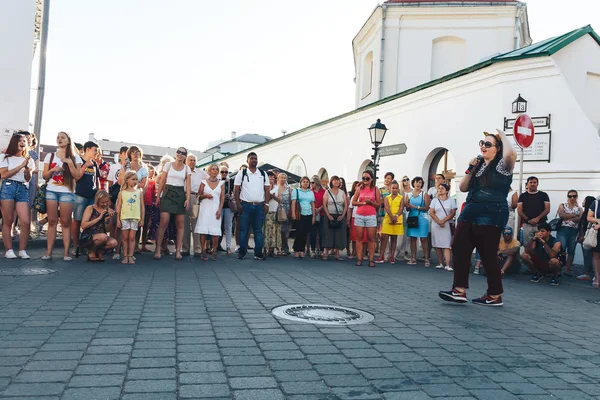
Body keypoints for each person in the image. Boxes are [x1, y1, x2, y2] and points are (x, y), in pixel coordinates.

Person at [439, 129, 517, 306]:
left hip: (492, 211)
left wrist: (502, 135)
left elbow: (511, 153)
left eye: (488, 144)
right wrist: (470, 169)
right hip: (471, 208)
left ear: (498, 148)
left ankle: (495, 294)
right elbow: (463, 188)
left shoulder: (503, 165)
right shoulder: (479, 164)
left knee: (488, 254)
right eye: (482, 143)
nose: (483, 146)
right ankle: (459, 290)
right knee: (459, 245)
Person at [42, 132, 83, 261]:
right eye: (58, 137)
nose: (59, 139)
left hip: (67, 191)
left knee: (66, 222)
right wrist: (52, 170)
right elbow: (44, 175)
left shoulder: (76, 158)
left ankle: (66, 253)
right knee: (52, 221)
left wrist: (69, 163)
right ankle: (48, 252)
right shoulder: (50, 155)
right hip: (51, 190)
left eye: (62, 137)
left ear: (68, 140)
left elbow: (77, 176)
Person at [0, 132, 35, 259]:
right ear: (14, 143)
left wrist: (27, 169)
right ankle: (9, 250)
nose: (22, 143)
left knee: (25, 221)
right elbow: (4, 175)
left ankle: (22, 250)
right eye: (19, 140)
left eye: (24, 141)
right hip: (8, 187)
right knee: (8, 220)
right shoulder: (5, 157)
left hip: (22, 188)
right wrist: (20, 166)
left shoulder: (29, 160)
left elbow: (27, 179)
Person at [154, 147, 191, 261]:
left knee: (180, 224)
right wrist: (158, 196)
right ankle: (158, 249)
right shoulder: (168, 165)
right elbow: (162, 180)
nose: (180, 154)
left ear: (185, 156)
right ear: (176, 154)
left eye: (183, 153)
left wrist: (188, 199)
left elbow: (188, 185)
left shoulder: (186, 168)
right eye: (178, 152)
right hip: (168, 193)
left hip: (180, 194)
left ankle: (178, 251)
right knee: (163, 221)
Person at [234, 152, 270, 260]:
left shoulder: (263, 173)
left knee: (258, 231)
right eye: (252, 158)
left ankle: (258, 253)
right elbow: (236, 189)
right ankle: (242, 252)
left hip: (259, 206)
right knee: (243, 230)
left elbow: (267, 189)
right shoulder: (242, 173)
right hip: (245, 205)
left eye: (255, 158)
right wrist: (238, 203)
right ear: (247, 160)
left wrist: (266, 203)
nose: (254, 160)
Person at [72, 141, 101, 254]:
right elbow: (76, 177)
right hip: (80, 195)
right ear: (88, 149)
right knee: (77, 221)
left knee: (91, 222)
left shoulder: (94, 163)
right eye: (95, 150)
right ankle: (76, 246)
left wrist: (98, 192)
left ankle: (88, 246)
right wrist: (84, 166)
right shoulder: (79, 161)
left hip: (92, 196)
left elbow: (96, 179)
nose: (97, 153)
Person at [195, 164, 224, 261]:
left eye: (216, 169)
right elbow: (198, 196)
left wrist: (219, 209)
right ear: (209, 171)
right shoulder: (203, 182)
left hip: (215, 208)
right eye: (213, 169)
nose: (215, 171)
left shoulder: (221, 183)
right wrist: (205, 196)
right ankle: (203, 250)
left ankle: (214, 250)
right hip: (205, 209)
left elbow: (222, 198)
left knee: (215, 231)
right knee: (203, 230)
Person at [351, 170, 381, 267]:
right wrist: (364, 203)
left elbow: (378, 205)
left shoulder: (375, 189)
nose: (365, 180)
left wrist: (371, 203)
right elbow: (353, 202)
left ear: (372, 179)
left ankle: (371, 259)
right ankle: (359, 258)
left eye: (367, 178)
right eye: (363, 178)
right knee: (358, 238)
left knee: (371, 238)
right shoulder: (359, 188)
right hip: (359, 214)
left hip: (371, 215)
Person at [80, 190, 117, 262]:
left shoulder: (109, 210)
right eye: (102, 202)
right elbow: (83, 225)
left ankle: (99, 250)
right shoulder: (90, 208)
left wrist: (108, 219)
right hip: (88, 235)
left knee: (113, 243)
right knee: (103, 237)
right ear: (97, 201)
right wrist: (99, 218)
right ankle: (91, 251)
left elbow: (108, 230)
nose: (105, 204)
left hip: (102, 235)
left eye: (107, 202)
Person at [116, 171, 144, 265]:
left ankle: (130, 256)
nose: (135, 181)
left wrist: (142, 219)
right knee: (125, 237)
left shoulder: (139, 192)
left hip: (135, 218)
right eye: (133, 179)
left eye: (136, 179)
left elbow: (142, 206)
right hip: (124, 217)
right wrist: (118, 219)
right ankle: (125, 255)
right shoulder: (122, 193)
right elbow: (118, 207)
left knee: (132, 238)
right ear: (127, 180)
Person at [182, 154, 206, 256]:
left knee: (196, 223)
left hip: (195, 198)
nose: (192, 162)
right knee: (184, 224)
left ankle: (197, 249)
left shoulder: (201, 173)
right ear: (186, 161)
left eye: (194, 160)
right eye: (190, 160)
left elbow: (212, 179)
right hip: (183, 198)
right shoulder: (182, 171)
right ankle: (185, 249)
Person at [428, 183, 456, 271]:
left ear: (447, 191)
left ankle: (447, 264)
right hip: (436, 224)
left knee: (447, 244)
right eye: (439, 188)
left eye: (442, 188)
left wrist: (443, 220)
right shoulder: (434, 201)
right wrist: (438, 221)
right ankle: (440, 263)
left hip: (447, 224)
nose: (440, 190)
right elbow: (431, 212)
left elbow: (452, 213)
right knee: (437, 244)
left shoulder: (451, 200)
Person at [517, 176, 550, 245]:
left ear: (537, 184)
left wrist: (537, 218)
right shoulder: (522, 196)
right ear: (527, 184)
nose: (532, 184)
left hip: (541, 224)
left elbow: (547, 209)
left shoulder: (544, 195)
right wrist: (528, 219)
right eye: (530, 182)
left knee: (541, 245)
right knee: (528, 245)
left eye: (534, 182)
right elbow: (519, 210)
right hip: (527, 225)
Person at [405, 176, 431, 266]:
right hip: (412, 217)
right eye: (417, 182)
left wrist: (416, 207)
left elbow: (427, 207)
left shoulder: (424, 194)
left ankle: (427, 258)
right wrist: (408, 207)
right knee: (412, 238)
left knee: (423, 239)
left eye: (420, 183)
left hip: (422, 218)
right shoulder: (408, 195)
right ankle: (413, 258)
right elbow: (407, 208)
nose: (418, 184)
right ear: (413, 183)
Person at [556, 190, 583, 276]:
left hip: (574, 230)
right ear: (567, 196)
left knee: (571, 250)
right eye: (570, 196)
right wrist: (575, 215)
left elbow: (580, 219)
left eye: (574, 196)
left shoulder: (579, 208)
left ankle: (567, 269)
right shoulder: (562, 205)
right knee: (561, 249)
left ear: (576, 197)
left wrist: (567, 216)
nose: (572, 198)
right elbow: (561, 215)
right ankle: (558, 268)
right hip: (563, 229)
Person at [377, 180, 404, 264]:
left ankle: (392, 256)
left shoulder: (401, 197)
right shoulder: (387, 197)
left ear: (398, 188)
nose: (394, 190)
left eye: (396, 188)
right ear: (390, 188)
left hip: (397, 218)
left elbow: (401, 208)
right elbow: (387, 207)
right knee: (384, 237)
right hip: (388, 218)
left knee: (394, 238)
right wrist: (392, 216)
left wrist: (396, 216)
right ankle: (381, 256)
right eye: (393, 188)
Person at [322, 175, 348, 260]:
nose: (336, 182)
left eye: (337, 181)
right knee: (328, 233)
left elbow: (345, 205)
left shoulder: (342, 192)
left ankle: (337, 253)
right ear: (331, 182)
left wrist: (343, 215)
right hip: (330, 214)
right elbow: (324, 204)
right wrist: (328, 215)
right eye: (334, 180)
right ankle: (326, 253)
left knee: (339, 234)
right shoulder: (327, 192)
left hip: (340, 215)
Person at [291, 176, 315, 258]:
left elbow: (312, 204)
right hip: (300, 214)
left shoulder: (310, 192)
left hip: (309, 213)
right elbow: (294, 203)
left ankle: (302, 250)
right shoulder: (296, 191)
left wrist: (314, 216)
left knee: (305, 233)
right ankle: (296, 250)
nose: (305, 183)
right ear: (301, 183)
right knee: (299, 232)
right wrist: (293, 213)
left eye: (307, 182)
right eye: (304, 182)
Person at [576, 196, 597, 282]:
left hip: (586, 237)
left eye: (584, 200)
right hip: (584, 237)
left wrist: (583, 236)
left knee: (587, 255)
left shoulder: (588, 214)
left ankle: (587, 273)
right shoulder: (585, 212)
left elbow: (586, 226)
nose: (583, 201)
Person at [263, 171, 282, 257]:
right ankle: (264, 249)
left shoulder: (277, 188)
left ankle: (272, 250)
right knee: (265, 230)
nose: (271, 178)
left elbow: (280, 200)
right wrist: (269, 195)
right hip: (265, 211)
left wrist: (272, 196)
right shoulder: (263, 187)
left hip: (275, 211)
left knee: (274, 231)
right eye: (269, 176)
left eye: (272, 177)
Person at [141, 165, 158, 253]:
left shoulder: (153, 182)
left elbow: (154, 193)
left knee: (146, 225)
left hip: (149, 204)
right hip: (140, 204)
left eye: (153, 171)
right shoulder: (142, 181)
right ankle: (135, 245)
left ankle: (143, 245)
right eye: (150, 170)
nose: (152, 172)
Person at [395, 175, 412, 261]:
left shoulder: (413, 191)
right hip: (403, 214)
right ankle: (397, 251)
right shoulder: (400, 192)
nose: (406, 181)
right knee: (401, 235)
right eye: (404, 180)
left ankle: (407, 252)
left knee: (409, 235)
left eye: (407, 179)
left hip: (411, 214)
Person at [275, 172, 292, 255]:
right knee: (278, 229)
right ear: (278, 179)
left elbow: (292, 200)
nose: (283, 179)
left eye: (284, 177)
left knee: (285, 230)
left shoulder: (289, 188)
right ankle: (278, 248)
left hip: (287, 209)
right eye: (281, 177)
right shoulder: (275, 187)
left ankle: (285, 248)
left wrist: (291, 211)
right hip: (277, 209)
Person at [220, 165, 236, 254]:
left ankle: (228, 246)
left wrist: (231, 196)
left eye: (226, 172)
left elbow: (235, 191)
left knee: (228, 226)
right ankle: (215, 245)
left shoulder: (230, 181)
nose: (224, 174)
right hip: (219, 205)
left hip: (228, 205)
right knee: (218, 226)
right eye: (222, 172)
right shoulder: (217, 181)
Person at [310, 176, 326, 258]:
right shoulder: (310, 191)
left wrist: (319, 209)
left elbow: (325, 202)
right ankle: (312, 250)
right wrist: (314, 210)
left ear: (317, 183)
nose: (311, 184)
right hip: (312, 214)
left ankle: (321, 250)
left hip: (322, 214)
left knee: (321, 233)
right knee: (312, 233)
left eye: (312, 182)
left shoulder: (324, 191)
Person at [586, 198, 600, 287]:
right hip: (597, 233)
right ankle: (597, 277)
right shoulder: (596, 203)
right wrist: (598, 221)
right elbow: (589, 217)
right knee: (596, 255)